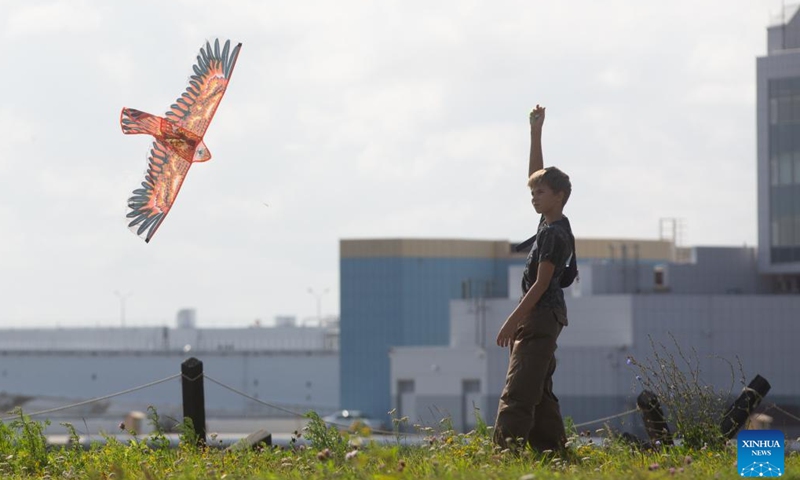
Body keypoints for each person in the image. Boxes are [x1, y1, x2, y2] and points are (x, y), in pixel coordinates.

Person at [493, 104, 574, 454]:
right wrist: (536, 133)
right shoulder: (550, 224)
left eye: (541, 192)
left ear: (559, 196)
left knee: (519, 390)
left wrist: (512, 322)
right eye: (533, 193)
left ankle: (503, 454)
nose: (534, 196)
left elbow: (541, 284)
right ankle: (553, 452)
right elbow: (536, 174)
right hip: (545, 317)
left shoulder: (553, 233)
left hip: (539, 316)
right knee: (538, 390)